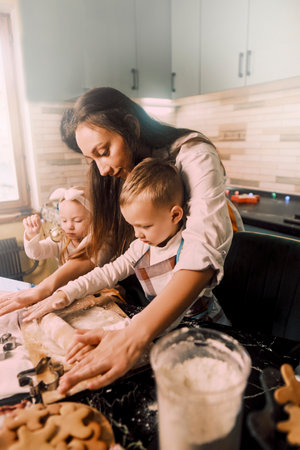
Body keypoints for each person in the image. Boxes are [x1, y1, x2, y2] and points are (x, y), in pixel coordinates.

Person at [0, 86, 243, 393]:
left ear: (130, 126)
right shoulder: (122, 172)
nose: (102, 169)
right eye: (92, 159)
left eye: (103, 151)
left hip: (212, 292)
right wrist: (49, 288)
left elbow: (201, 254)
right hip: (164, 311)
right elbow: (102, 257)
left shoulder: (193, 155)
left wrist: (135, 333)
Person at [23, 158, 230, 329]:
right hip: (159, 325)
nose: (137, 234)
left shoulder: (189, 251)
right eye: (133, 226)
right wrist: (66, 293)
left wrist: (120, 331)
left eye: (146, 226)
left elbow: (172, 313)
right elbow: (107, 272)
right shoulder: (142, 246)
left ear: (175, 214)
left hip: (208, 327)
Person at [23, 186, 91, 266]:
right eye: (64, 220)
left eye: (77, 220)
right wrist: (31, 235)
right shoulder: (59, 240)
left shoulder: (97, 242)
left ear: (92, 219)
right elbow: (36, 253)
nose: (69, 226)